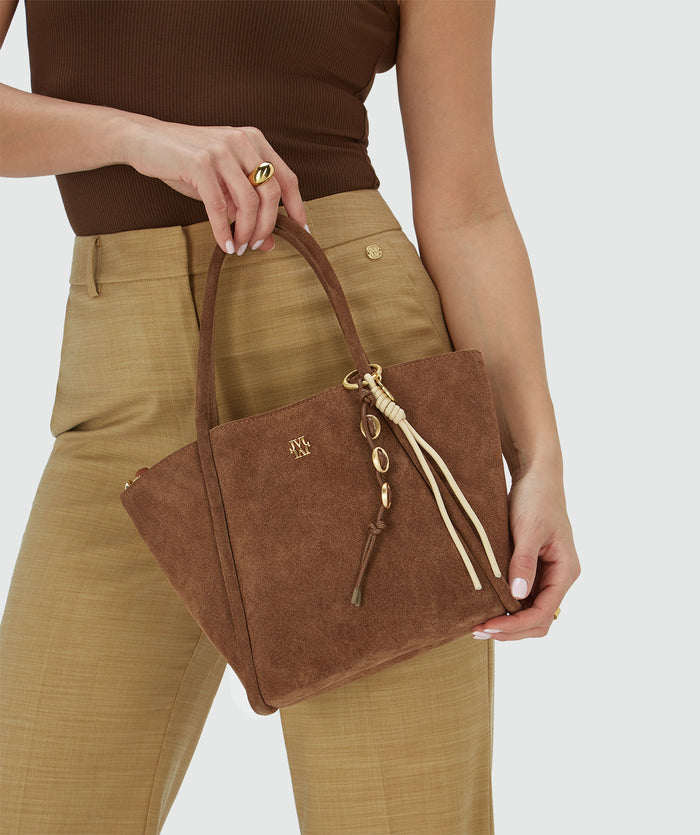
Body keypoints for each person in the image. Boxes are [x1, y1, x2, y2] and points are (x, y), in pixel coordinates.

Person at [0, 0, 581, 832]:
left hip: (354, 371)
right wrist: (140, 139)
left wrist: (537, 457)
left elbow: (467, 205)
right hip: (123, 378)